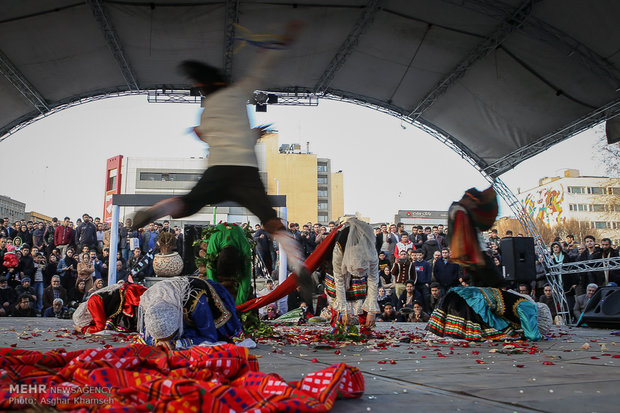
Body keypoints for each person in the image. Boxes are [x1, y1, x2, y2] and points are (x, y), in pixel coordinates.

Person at [129, 22, 307, 285]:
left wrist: (204, 132)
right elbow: (262, 69)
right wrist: (282, 42)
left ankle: (157, 210)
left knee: (189, 203)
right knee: (268, 218)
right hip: (245, 171)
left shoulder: (207, 110)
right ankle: (299, 267)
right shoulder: (237, 93)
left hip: (218, 169)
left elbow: (204, 134)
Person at [137, 276, 244, 350]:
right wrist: (157, 342)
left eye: (172, 335)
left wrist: (178, 343)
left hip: (202, 295)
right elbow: (144, 336)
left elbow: (210, 337)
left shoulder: (197, 302)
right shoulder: (147, 303)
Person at [427, 286, 552, 341]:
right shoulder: (528, 307)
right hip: (473, 301)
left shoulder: (523, 302)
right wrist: (539, 336)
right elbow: (532, 334)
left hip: (470, 296)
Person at [326, 217, 379, 330]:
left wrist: (372, 311)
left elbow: (373, 279)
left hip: (356, 279)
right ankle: (339, 327)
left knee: (360, 296)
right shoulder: (339, 250)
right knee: (340, 315)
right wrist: (344, 311)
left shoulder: (371, 253)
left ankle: (365, 327)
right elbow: (339, 280)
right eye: (356, 269)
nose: (359, 271)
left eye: (361, 269)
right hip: (337, 273)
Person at [73, 281, 147, 334]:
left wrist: (82, 329)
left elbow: (100, 326)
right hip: (129, 295)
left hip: (131, 297)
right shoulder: (92, 299)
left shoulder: (92, 303)